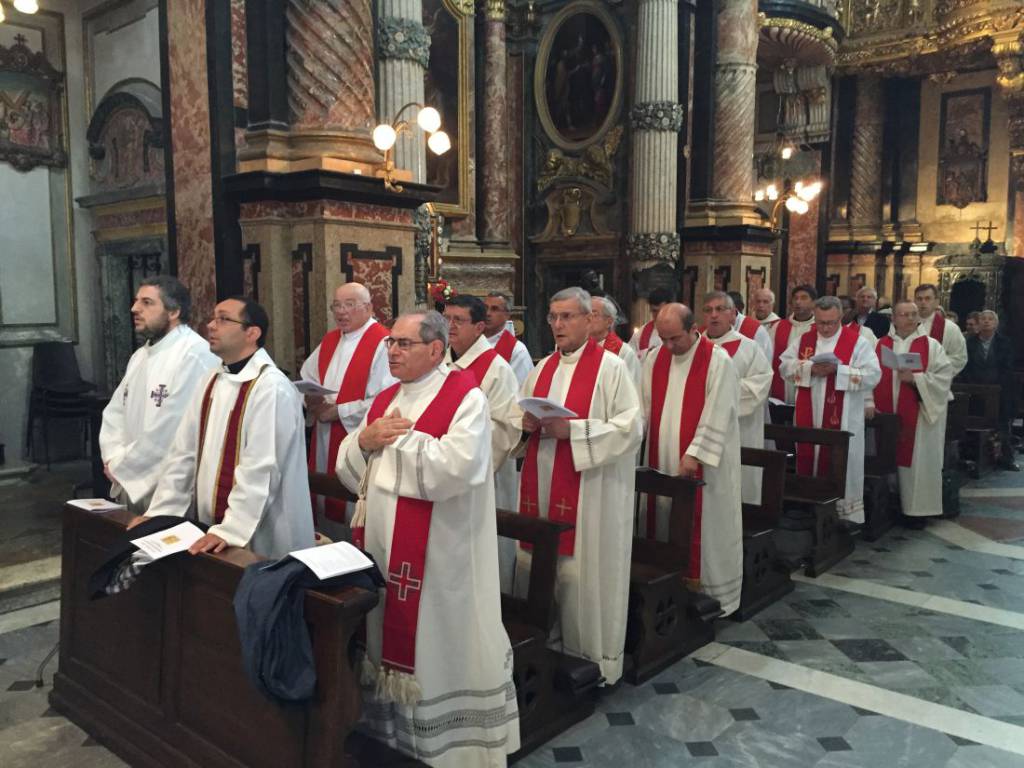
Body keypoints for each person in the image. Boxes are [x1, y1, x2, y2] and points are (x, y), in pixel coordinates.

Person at [336, 311, 520, 766]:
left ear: (435, 349)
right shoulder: (384, 399)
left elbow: (457, 468)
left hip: (442, 552)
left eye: (403, 344)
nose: (392, 351)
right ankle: (392, 739)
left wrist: (387, 443)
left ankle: (450, 751)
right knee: (385, 630)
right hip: (382, 542)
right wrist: (364, 442)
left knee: (436, 644)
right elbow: (348, 467)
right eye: (390, 344)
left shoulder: (465, 397)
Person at [514, 286, 642, 685]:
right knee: (547, 567)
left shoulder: (611, 368)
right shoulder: (542, 368)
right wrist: (526, 424)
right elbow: (520, 412)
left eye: (567, 316)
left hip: (593, 492)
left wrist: (573, 431)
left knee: (585, 573)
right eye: (553, 316)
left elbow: (630, 427)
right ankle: (548, 645)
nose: (557, 324)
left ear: (590, 321)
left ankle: (592, 659)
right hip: (545, 480)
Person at [135, 298, 315, 559]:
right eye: (212, 318)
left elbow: (262, 467)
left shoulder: (271, 388)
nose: (211, 325)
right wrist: (160, 515)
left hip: (262, 530)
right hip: (211, 527)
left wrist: (230, 530)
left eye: (223, 319)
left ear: (252, 333)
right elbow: (183, 454)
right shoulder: (212, 379)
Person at [641, 303, 743, 615]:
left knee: (705, 527)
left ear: (693, 330)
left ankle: (713, 595)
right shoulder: (655, 357)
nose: (669, 346)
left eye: (675, 339)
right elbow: (643, 408)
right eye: (663, 338)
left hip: (703, 465)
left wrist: (694, 454)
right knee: (661, 520)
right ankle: (666, 589)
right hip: (659, 457)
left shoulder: (717, 361)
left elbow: (719, 412)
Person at [100, 276, 219, 514]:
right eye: (136, 301)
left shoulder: (194, 355)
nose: (135, 308)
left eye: (147, 302)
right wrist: (113, 458)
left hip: (172, 485)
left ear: (173, 311)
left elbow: (172, 426)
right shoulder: (140, 356)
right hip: (130, 473)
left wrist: (126, 465)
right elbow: (114, 413)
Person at [299, 283, 393, 535]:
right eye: (337, 306)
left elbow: (386, 399)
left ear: (369, 307)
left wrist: (338, 411)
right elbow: (308, 375)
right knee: (324, 508)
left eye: (349, 305)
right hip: (323, 437)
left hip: (357, 440)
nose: (341, 312)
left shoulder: (382, 343)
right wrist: (311, 400)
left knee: (352, 514)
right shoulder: (330, 340)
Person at [443, 294, 522, 590]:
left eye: (458, 320)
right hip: (444, 471)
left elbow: (506, 428)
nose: (450, 326)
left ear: (478, 328)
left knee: (484, 557)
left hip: (481, 477)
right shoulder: (440, 362)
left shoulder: (496, 368)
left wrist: (462, 461)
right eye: (446, 318)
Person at [779, 296, 882, 524]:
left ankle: (842, 516)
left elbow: (874, 375)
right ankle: (808, 509)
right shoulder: (803, 339)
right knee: (808, 454)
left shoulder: (857, 342)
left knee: (840, 462)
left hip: (844, 417)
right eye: (821, 322)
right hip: (809, 414)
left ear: (840, 318)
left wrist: (839, 371)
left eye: (831, 323)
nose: (825, 328)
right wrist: (810, 369)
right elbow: (784, 367)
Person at [872, 302, 954, 526]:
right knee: (887, 457)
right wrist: (870, 402)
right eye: (903, 314)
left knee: (917, 464)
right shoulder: (881, 345)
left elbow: (944, 378)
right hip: (887, 415)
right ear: (893, 319)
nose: (909, 318)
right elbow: (869, 376)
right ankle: (889, 505)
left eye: (913, 314)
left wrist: (916, 380)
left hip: (919, 416)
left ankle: (917, 511)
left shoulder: (932, 345)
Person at [703, 292, 772, 507]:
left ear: (733, 314)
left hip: (738, 429)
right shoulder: (694, 346)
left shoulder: (748, 348)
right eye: (708, 310)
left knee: (735, 488)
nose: (714, 315)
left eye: (720, 309)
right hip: (701, 430)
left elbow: (759, 386)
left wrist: (718, 393)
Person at [960, 310, 1019, 471]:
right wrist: (973, 385)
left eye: (990, 319)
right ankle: (971, 457)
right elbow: (965, 366)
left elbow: (1007, 368)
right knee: (973, 424)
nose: (986, 322)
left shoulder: (1004, 343)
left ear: (996, 324)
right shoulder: (969, 343)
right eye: (983, 319)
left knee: (1002, 425)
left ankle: (1006, 458)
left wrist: (996, 385)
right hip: (975, 390)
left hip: (999, 390)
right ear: (978, 323)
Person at [766, 284, 818, 404]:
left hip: (811, 389)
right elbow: (766, 357)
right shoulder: (778, 327)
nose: (798, 302)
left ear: (814, 303)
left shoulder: (820, 329)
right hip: (780, 390)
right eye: (795, 298)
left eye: (804, 298)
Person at [589, 295, 642, 390]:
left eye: (594, 314)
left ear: (609, 322)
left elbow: (631, 390)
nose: (588, 319)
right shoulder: (577, 349)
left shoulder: (625, 352)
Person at [914, 284, 967, 376]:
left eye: (927, 298)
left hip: (937, 381)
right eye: (919, 299)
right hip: (907, 381)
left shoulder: (950, 328)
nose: (923, 302)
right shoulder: (905, 325)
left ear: (936, 302)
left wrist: (932, 366)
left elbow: (959, 358)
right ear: (914, 301)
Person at [483, 291, 533, 386]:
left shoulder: (517, 350)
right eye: (485, 308)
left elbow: (520, 389)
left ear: (507, 315)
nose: (487, 313)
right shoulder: (470, 341)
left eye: (494, 309)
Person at [727, 290, 773, 363]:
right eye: (758, 301)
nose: (761, 305)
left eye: (765, 302)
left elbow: (763, 364)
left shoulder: (756, 330)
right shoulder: (708, 329)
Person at [629, 287, 673, 358]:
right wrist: (647, 353)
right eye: (654, 311)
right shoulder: (641, 333)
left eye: (662, 310)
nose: (659, 314)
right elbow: (630, 357)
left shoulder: (680, 330)